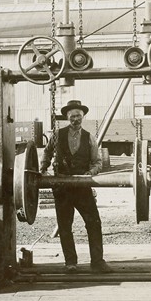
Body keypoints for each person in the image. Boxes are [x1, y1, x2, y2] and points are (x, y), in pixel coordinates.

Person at [39, 100, 113, 274]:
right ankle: (70, 263)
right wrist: (43, 169)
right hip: (62, 187)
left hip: (82, 187)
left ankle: (97, 262)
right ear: (67, 117)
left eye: (78, 116)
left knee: (94, 222)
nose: (75, 119)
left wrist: (91, 172)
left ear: (83, 117)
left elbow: (97, 162)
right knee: (65, 225)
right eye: (72, 116)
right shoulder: (57, 135)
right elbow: (47, 152)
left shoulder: (90, 138)